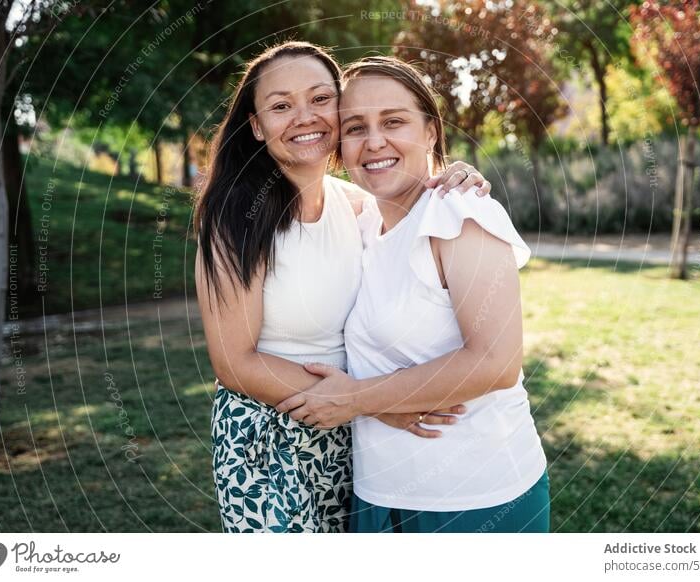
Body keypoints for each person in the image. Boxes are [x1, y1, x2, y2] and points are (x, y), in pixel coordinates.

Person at [194, 42, 490, 533]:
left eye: (319, 99)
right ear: (256, 125)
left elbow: (419, 194)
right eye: (281, 106)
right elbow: (233, 362)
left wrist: (456, 174)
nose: (304, 117)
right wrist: (367, 402)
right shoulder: (235, 216)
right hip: (267, 433)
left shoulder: (358, 204)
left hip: (355, 430)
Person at [276, 56, 550, 533]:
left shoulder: (458, 213)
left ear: (430, 132)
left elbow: (496, 363)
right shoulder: (358, 222)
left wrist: (358, 399)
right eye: (356, 127)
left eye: (394, 121)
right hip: (378, 491)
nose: (374, 141)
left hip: (476, 496)